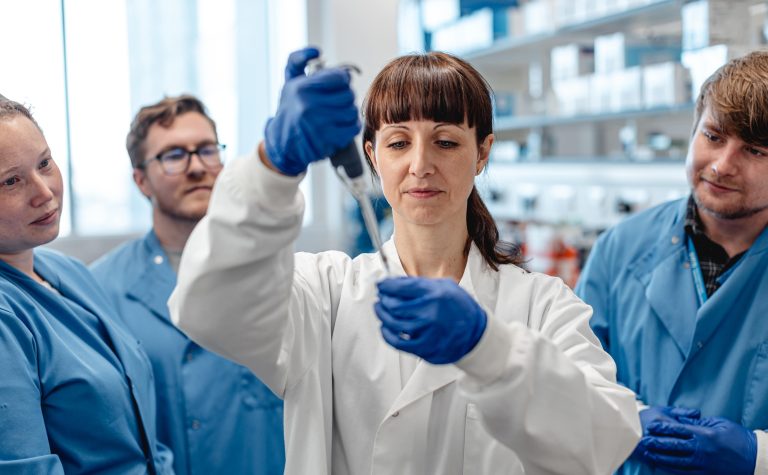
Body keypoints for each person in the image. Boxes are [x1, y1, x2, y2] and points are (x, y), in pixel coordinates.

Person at [169, 48, 640, 475]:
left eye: (447, 142)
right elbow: (207, 310)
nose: (420, 165)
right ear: (372, 157)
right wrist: (272, 167)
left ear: (483, 153)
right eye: (398, 143)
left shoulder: (541, 305)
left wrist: (488, 348)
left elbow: (605, 441)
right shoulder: (325, 293)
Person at [575, 50, 768, 475]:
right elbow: (568, 376)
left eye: (755, 150)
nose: (721, 165)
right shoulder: (619, 248)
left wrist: (758, 455)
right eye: (713, 136)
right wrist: (624, 419)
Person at [90, 95, 285, 475]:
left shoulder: (273, 266)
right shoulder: (100, 290)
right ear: (141, 180)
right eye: (174, 155)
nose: (197, 167)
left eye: (207, 150)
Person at [0, 96, 174, 473]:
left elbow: (143, 437)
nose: (44, 192)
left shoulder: (69, 272)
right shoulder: (5, 316)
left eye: (44, 163)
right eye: (11, 181)